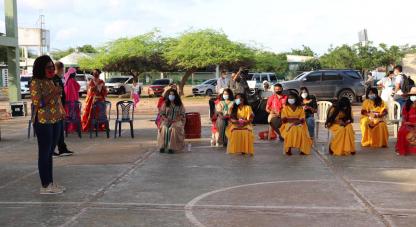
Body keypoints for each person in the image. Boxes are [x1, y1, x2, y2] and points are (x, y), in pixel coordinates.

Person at [30, 55, 66, 194]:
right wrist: (54, 93)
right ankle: (45, 186)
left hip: (56, 119)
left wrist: (62, 111)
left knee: (50, 153)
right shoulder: (36, 82)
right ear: (41, 68)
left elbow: (56, 100)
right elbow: (38, 103)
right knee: (44, 153)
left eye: (53, 67)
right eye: (49, 67)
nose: (52, 70)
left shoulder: (50, 81)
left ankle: (50, 183)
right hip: (43, 121)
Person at [53, 61, 74, 157]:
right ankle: (54, 149)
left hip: (60, 107)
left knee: (60, 130)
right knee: (56, 130)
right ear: (60, 69)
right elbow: (57, 95)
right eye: (63, 69)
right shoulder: (54, 79)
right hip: (56, 108)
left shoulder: (58, 79)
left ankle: (62, 148)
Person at [157, 89, 186, 153]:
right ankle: (162, 146)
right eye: (170, 94)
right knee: (164, 127)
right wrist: (165, 118)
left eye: (173, 94)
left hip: (177, 120)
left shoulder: (180, 104)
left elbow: (183, 114)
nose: (171, 96)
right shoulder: (165, 103)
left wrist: (176, 119)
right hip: (167, 120)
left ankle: (172, 147)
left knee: (174, 128)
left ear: (175, 96)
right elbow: (162, 113)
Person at [396, 87, 416, 155]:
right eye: (413, 95)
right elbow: (404, 118)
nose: (414, 97)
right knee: (402, 131)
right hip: (409, 124)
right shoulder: (406, 106)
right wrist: (408, 123)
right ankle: (403, 149)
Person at [63, 67, 81, 135]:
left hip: (67, 101)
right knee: (73, 114)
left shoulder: (66, 81)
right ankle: (72, 127)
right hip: (73, 101)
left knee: (68, 114)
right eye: (75, 73)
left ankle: (67, 128)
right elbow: (78, 87)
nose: (75, 74)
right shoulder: (72, 81)